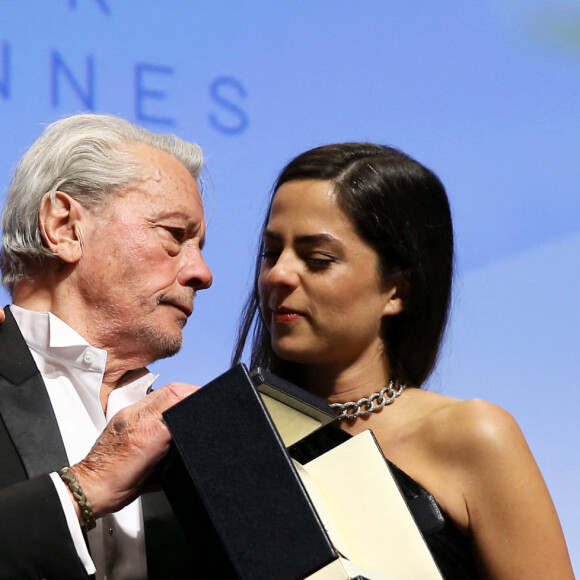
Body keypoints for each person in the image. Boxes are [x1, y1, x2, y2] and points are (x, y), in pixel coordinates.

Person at [233, 143, 575, 579]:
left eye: (317, 259)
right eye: (270, 252)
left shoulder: (474, 436)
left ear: (397, 291)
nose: (279, 274)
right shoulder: (236, 433)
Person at [0, 113, 213, 579]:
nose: (202, 273)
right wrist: (85, 486)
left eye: (199, 246)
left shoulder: (192, 430)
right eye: (174, 236)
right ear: (65, 227)